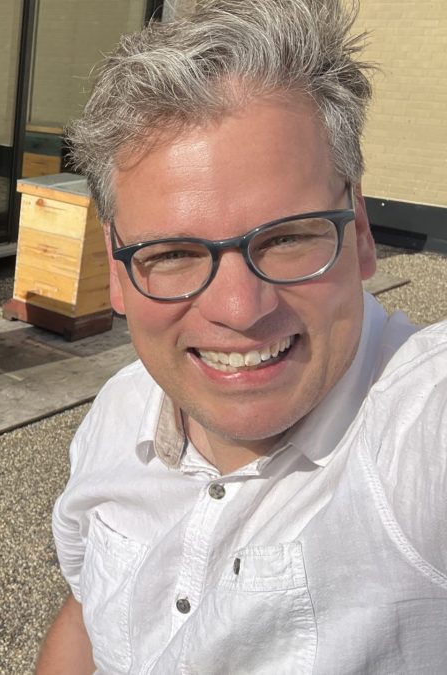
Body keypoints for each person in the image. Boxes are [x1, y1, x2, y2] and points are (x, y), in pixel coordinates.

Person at [37, 1, 447, 672]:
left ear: (361, 232)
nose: (239, 308)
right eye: (172, 253)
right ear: (117, 271)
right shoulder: (118, 412)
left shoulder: (418, 430)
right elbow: (86, 612)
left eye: (286, 238)